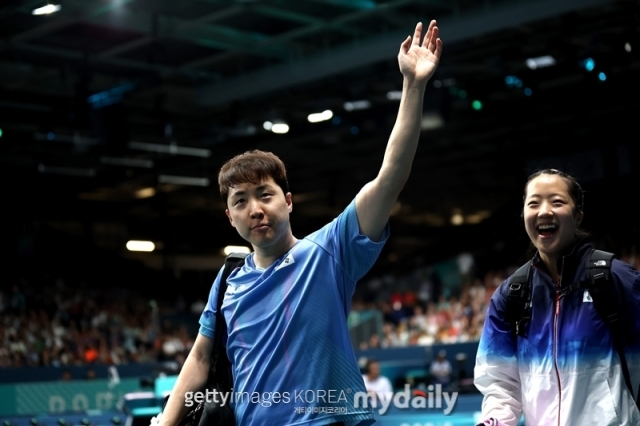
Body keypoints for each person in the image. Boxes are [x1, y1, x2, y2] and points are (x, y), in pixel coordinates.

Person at [159, 20, 443, 426]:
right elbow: (201, 357)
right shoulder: (227, 283)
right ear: (230, 217)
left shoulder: (328, 251)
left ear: (288, 201)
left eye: (265, 194)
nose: (255, 209)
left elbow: (391, 175)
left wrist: (413, 87)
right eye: (241, 201)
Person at [473, 169, 640, 426]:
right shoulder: (511, 294)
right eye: (534, 203)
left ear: (578, 216)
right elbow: (500, 384)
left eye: (557, 201)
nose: (544, 211)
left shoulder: (616, 278)